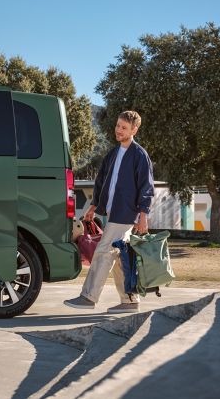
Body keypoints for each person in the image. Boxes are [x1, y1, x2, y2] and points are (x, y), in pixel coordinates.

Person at [65, 110, 154, 313]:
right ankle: (130, 301)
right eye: (117, 126)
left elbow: (146, 187)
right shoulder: (113, 154)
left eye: (124, 128)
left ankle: (88, 297)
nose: (119, 130)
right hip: (112, 213)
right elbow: (102, 181)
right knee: (121, 257)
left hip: (126, 213)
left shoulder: (139, 155)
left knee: (104, 251)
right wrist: (94, 206)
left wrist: (143, 215)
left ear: (134, 130)